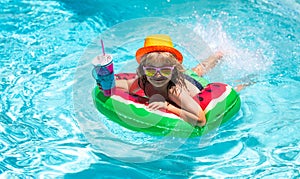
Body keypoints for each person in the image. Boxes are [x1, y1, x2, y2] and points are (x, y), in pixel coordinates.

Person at [103, 34, 224, 127]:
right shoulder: (144, 81)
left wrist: (168, 106)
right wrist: (108, 83)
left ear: (174, 69)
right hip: (179, 76)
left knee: (197, 72)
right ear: (144, 70)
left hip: (193, 83)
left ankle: (220, 56)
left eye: (164, 70)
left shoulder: (174, 91)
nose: (157, 76)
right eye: (151, 70)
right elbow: (126, 84)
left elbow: (200, 120)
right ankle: (217, 55)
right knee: (196, 70)